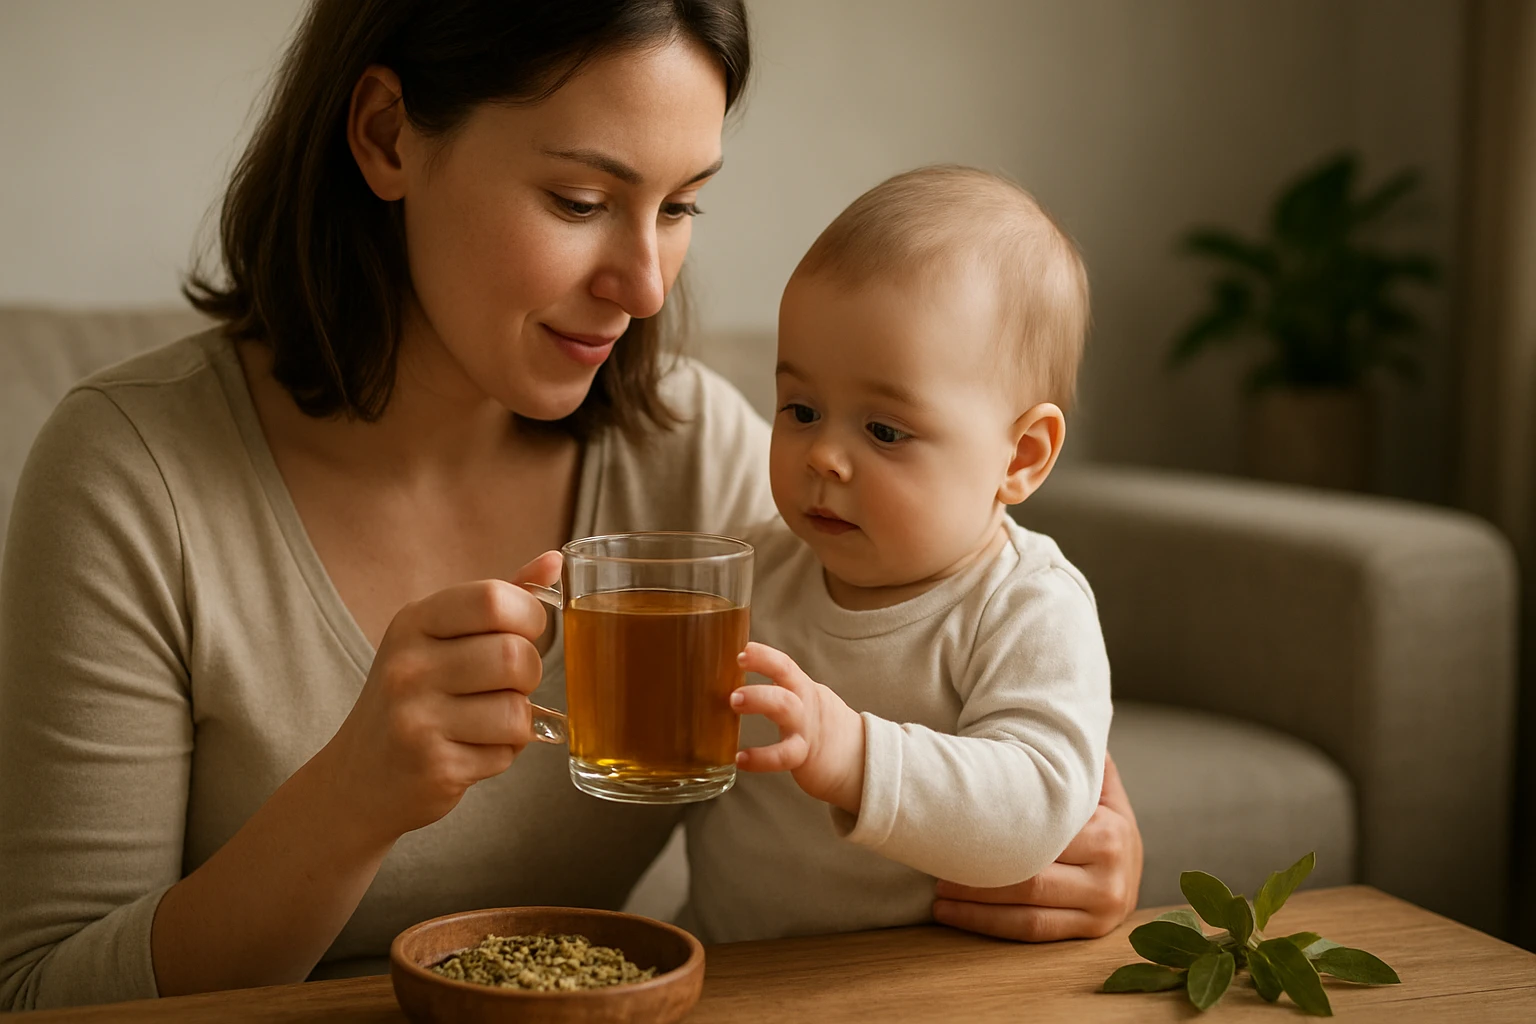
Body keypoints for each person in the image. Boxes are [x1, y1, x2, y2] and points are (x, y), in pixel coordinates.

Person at [0, 1, 1142, 1012]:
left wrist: (1087, 851)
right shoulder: (133, 476)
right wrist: (351, 800)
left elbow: (969, 660)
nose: (645, 287)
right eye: (581, 199)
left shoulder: (697, 457)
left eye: (681, 206)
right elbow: (40, 993)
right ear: (388, 135)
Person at [683, 167, 1111, 943]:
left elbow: (1038, 808)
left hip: (922, 981)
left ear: (1021, 456)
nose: (824, 457)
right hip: (733, 968)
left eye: (884, 430)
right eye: (800, 410)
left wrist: (857, 758)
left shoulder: (1025, 605)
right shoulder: (754, 572)